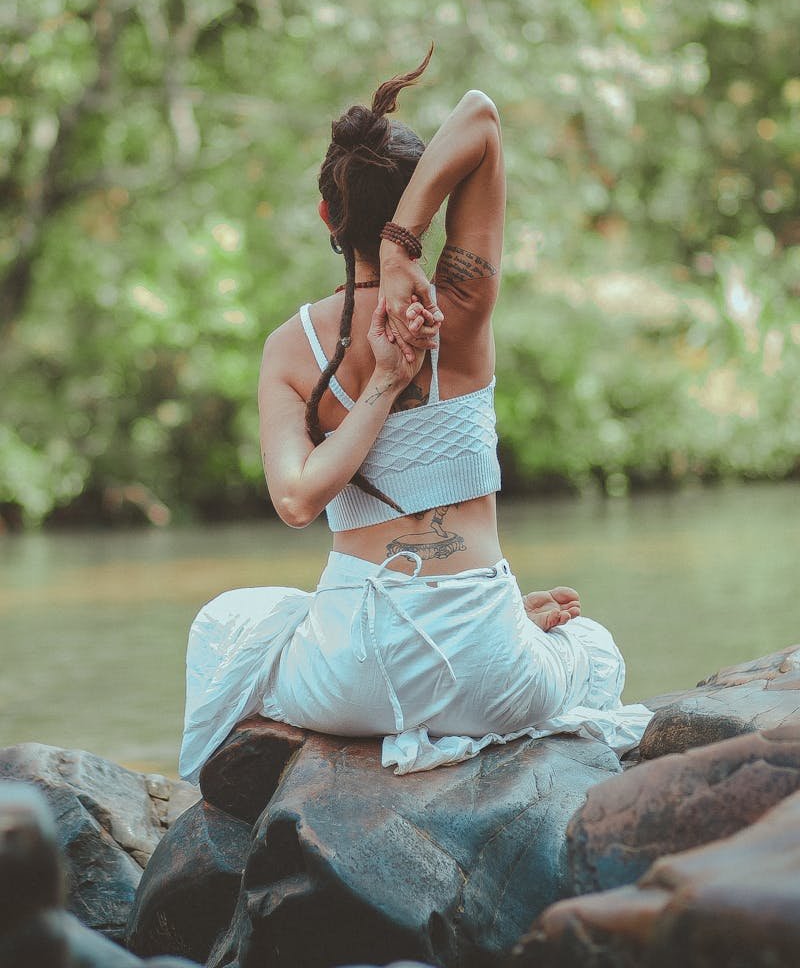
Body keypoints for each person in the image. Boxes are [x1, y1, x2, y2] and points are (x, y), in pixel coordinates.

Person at [178, 47, 652, 783]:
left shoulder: (290, 348)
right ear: (423, 203)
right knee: (591, 646)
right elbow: (480, 117)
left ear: (326, 215)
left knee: (228, 623)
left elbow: (297, 501)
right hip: (490, 673)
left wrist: (374, 380)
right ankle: (503, 631)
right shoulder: (458, 304)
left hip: (353, 675)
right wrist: (405, 251)